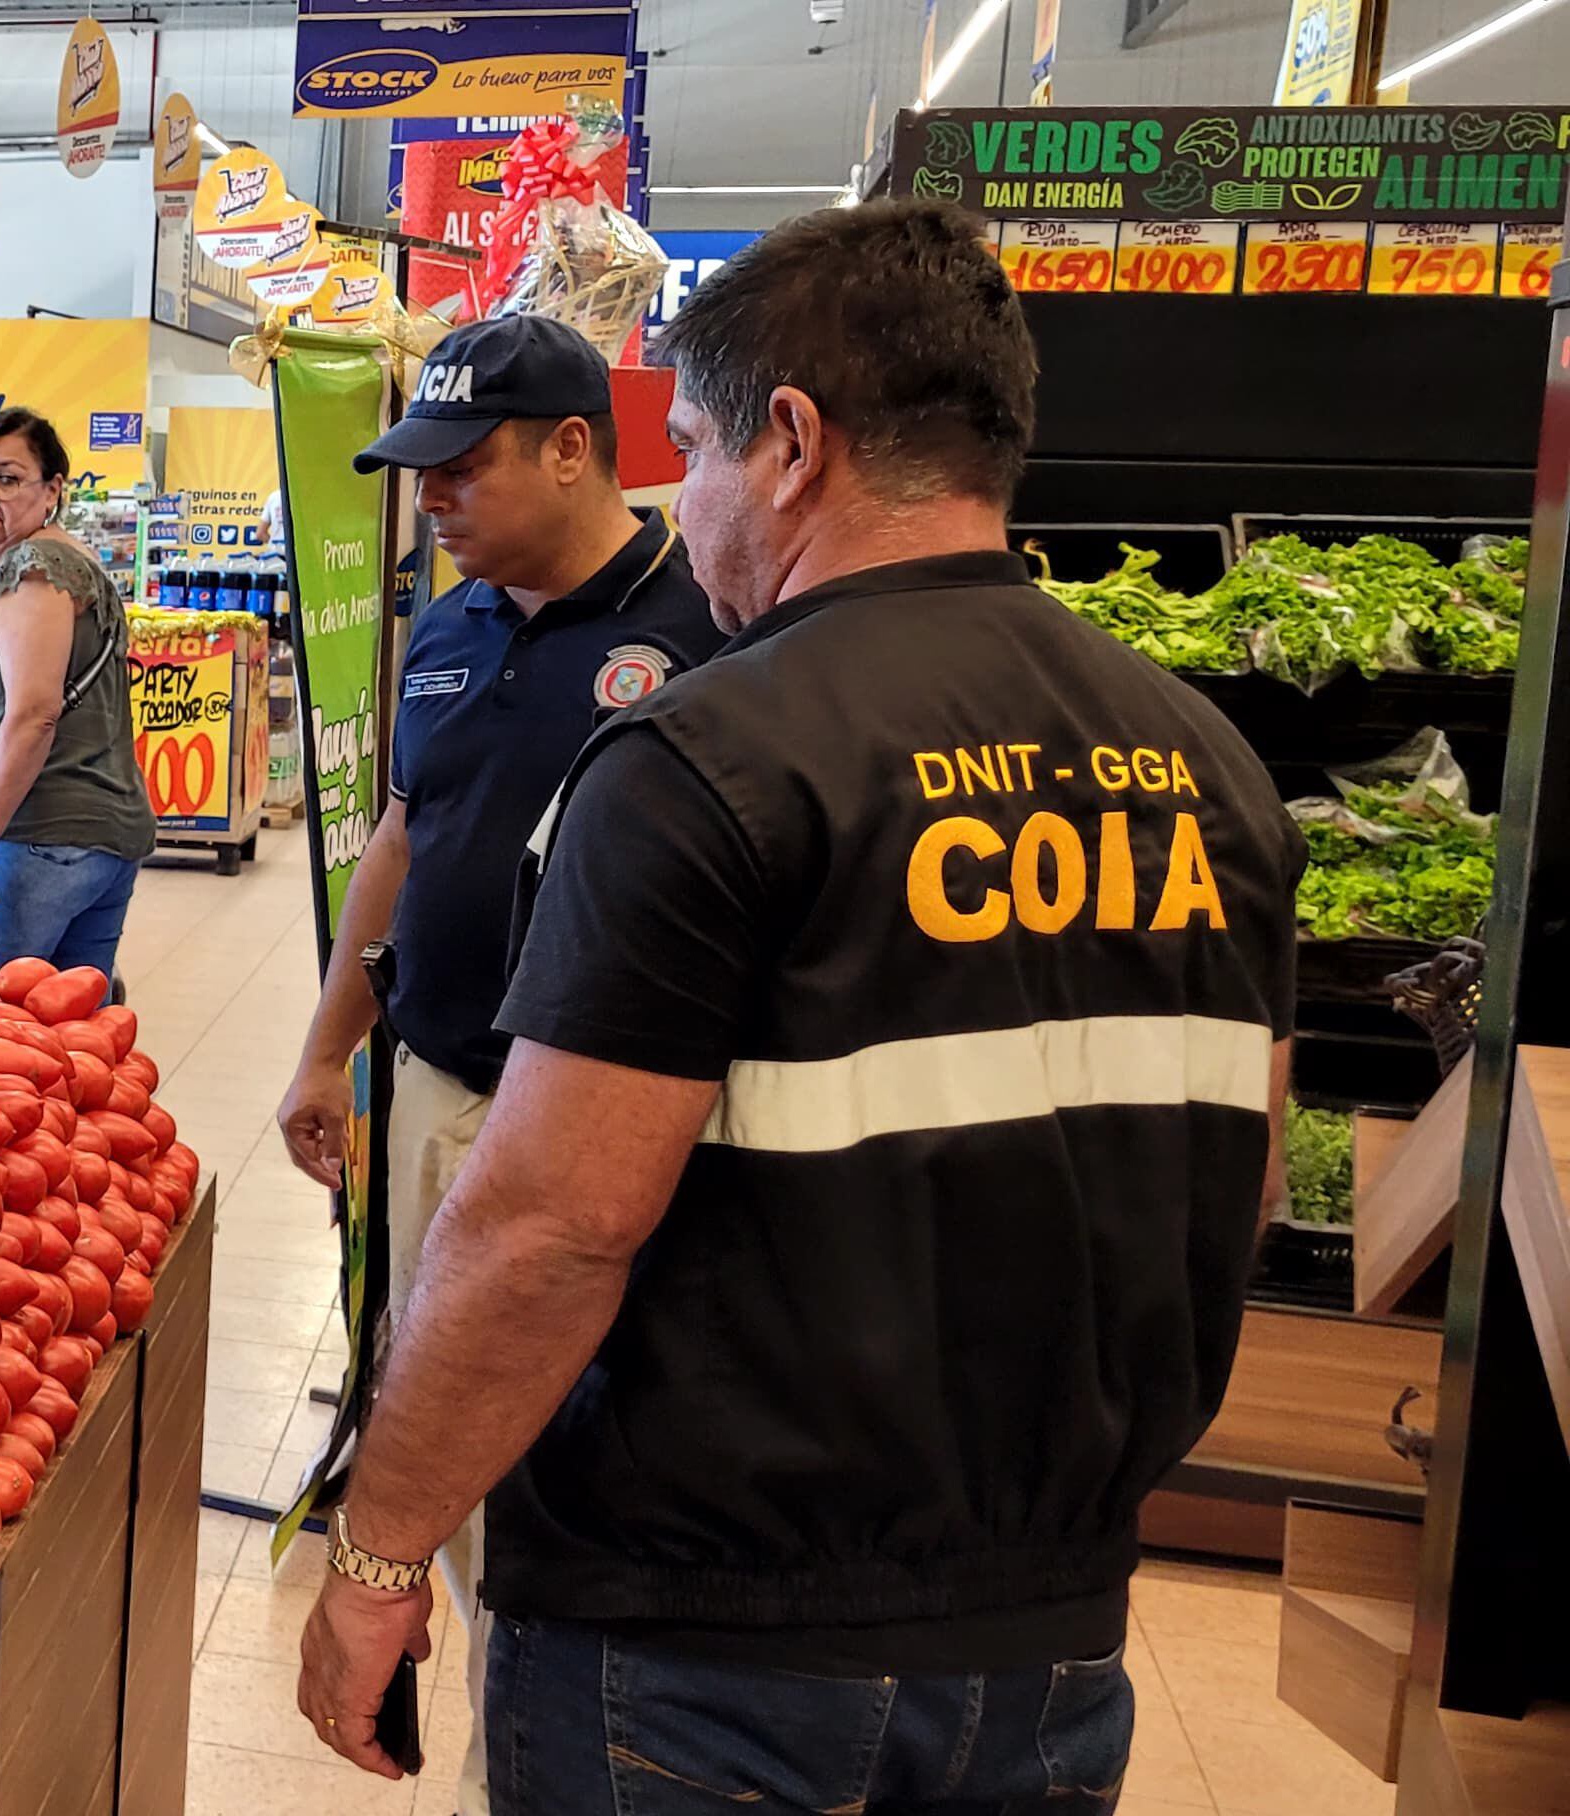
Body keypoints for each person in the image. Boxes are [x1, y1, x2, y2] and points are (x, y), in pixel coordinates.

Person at [293, 199, 1299, 1815]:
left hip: (703, 1654)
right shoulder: (1202, 765)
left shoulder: (706, 760)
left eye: (685, 449)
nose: (680, 508)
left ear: (789, 440)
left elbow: (552, 1226)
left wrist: (380, 1541)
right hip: (1044, 1639)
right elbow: (1234, 1174)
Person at [264, 313, 724, 1813]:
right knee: (436, 1413)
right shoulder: (452, 622)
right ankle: (474, 1691)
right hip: (434, 1092)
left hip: (602, 1131)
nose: (435, 501)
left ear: (577, 449)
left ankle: (543, 1743)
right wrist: (327, 1050)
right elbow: (407, 835)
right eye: (420, 475)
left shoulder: (708, 621)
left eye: (462, 469)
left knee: (568, 1460)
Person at [0, 406, 154, 974]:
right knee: (69, 1038)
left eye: (8, 477)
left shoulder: (35, 566)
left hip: (31, 837)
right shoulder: (71, 562)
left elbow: (35, 712)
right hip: (90, 838)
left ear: (52, 491)